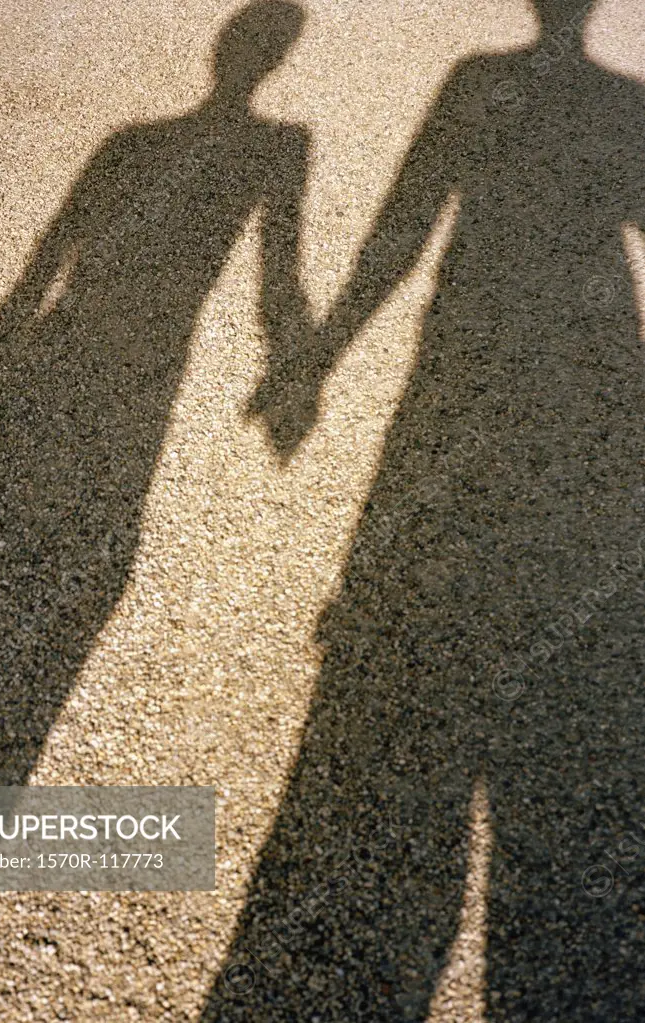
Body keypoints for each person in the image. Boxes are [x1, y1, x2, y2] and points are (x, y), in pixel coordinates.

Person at [207, 2, 645, 1019]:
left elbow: (405, 224)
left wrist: (319, 353)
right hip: (593, 380)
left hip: (469, 365)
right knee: (584, 634)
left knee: (424, 606)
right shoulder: (624, 105)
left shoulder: (477, 83)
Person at [0, 3, 311, 1013]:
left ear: (224, 52)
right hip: (140, 376)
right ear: (273, 60)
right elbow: (275, 277)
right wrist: (295, 365)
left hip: (65, 349)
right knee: (62, 595)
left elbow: (43, 265)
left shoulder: (134, 142)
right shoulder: (281, 148)